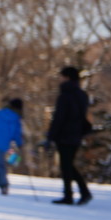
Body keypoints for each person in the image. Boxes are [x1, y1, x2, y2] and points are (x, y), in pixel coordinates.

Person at [45, 66, 92, 205]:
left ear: (67, 78)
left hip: (64, 135)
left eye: (61, 76)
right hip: (77, 135)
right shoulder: (82, 95)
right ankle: (81, 193)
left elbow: (59, 118)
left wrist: (50, 136)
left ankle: (71, 195)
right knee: (68, 165)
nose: (59, 79)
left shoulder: (65, 95)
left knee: (66, 166)